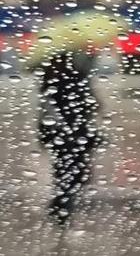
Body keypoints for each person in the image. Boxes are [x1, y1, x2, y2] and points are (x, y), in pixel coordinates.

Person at [37, 51, 101, 225]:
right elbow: (92, 105)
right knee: (72, 171)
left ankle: (61, 205)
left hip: (65, 135)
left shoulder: (53, 78)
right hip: (68, 135)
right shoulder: (71, 78)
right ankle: (63, 206)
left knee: (68, 171)